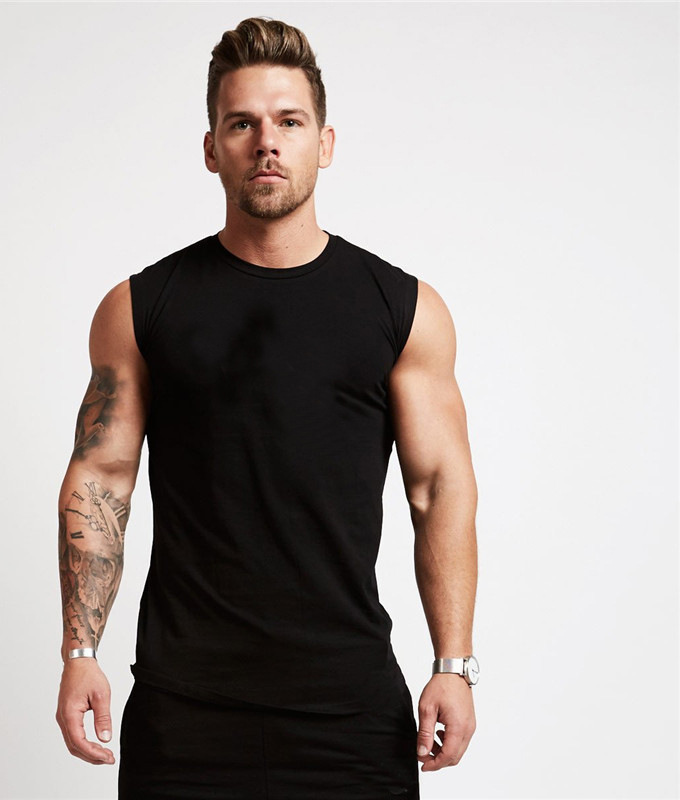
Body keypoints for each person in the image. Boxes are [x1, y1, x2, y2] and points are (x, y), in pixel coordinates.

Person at [55, 16, 478, 799]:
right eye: (242, 123)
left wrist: (453, 664)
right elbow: (101, 479)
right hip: (186, 712)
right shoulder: (141, 308)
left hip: (349, 713)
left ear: (325, 142)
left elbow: (438, 489)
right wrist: (80, 652)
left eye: (290, 121)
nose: (267, 143)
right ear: (211, 148)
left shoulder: (403, 310)